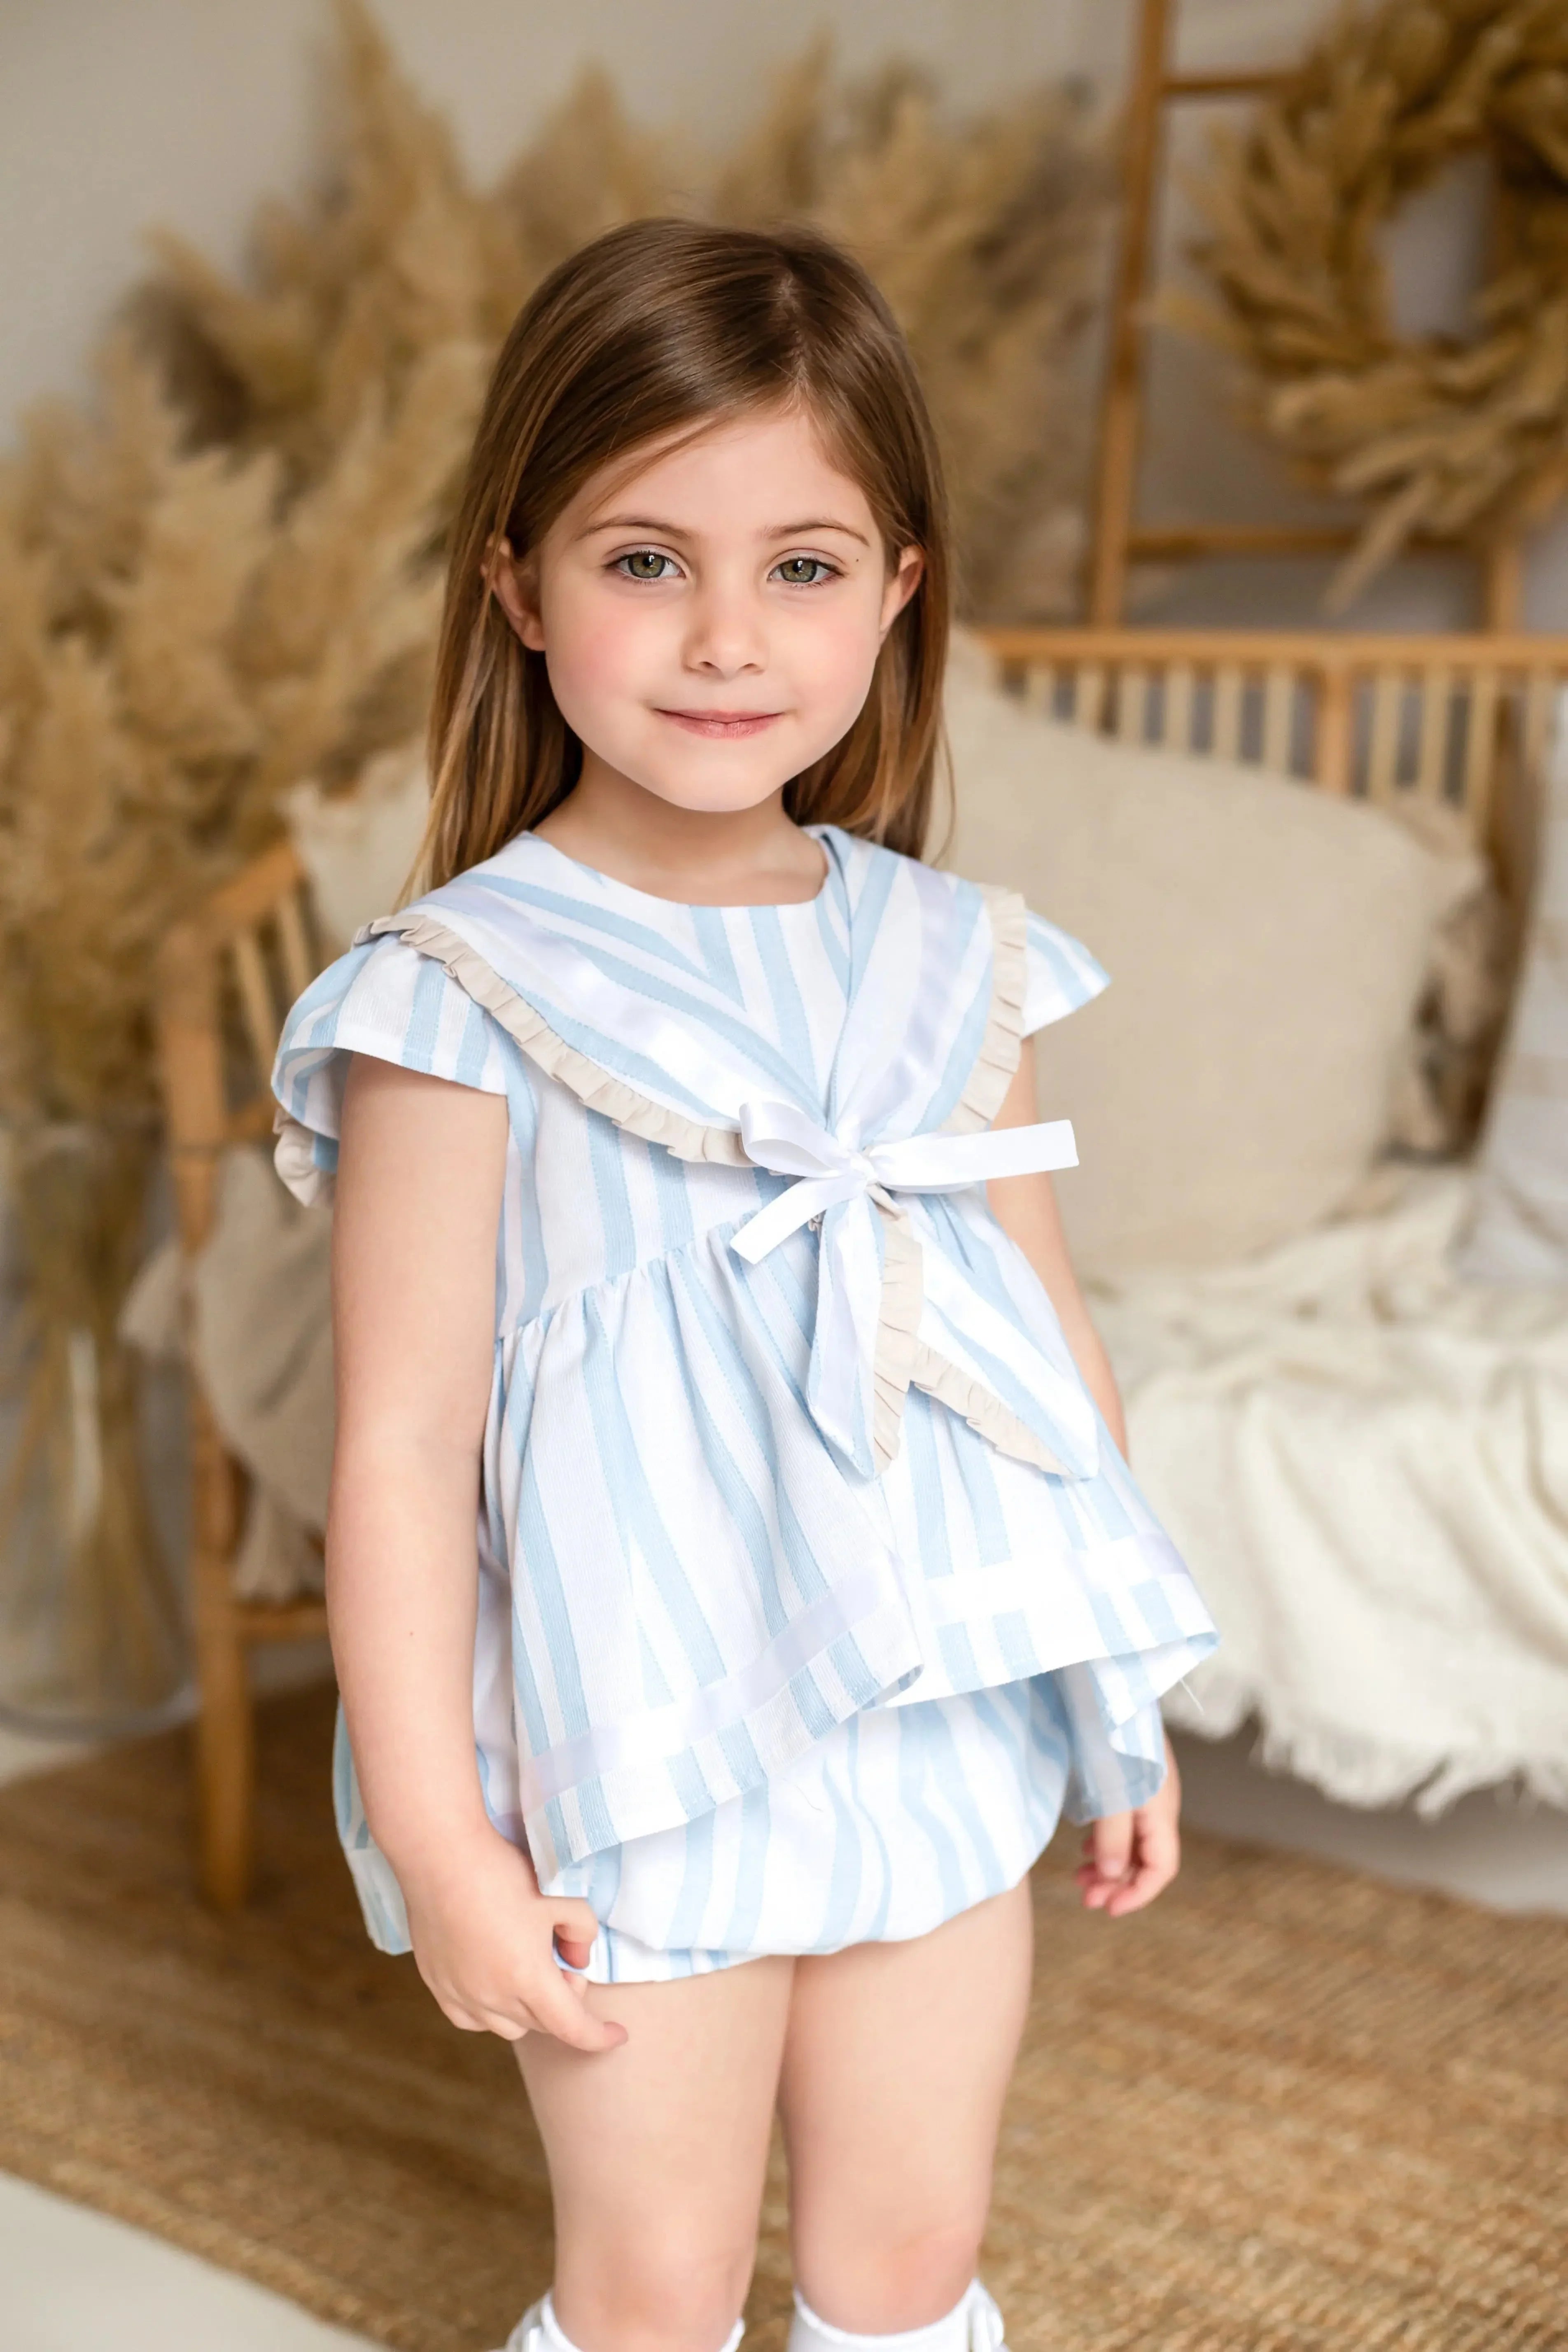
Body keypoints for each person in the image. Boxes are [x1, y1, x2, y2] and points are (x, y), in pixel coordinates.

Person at [273, 217, 1216, 2352]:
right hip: (641, 1746)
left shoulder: (955, 955)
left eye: (802, 563)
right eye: (644, 560)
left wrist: (1117, 1689)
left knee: (903, 2253)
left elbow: (1045, 1353)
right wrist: (440, 1839)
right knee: (660, 2280)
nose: (725, 636)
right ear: (520, 587)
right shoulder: (464, 995)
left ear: (898, 593)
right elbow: (408, 1450)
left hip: (940, 1711)